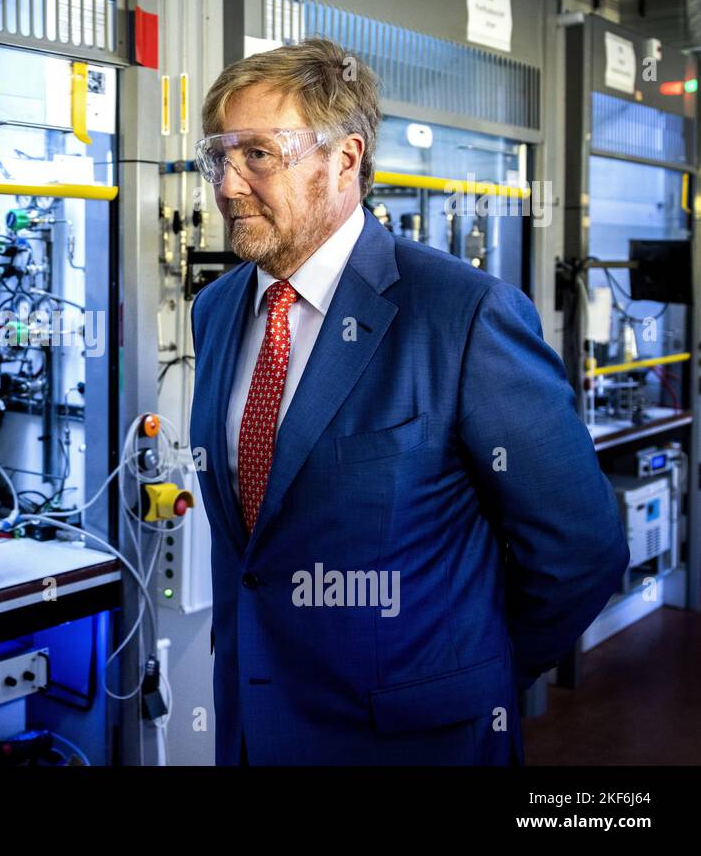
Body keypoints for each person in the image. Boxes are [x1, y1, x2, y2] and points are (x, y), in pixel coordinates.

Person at [187, 38, 628, 765]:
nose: (229, 185)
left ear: (345, 158)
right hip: (252, 727)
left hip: (418, 740)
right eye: (219, 156)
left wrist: (475, 672)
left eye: (260, 154)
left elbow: (580, 548)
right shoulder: (219, 309)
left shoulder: (462, 314)